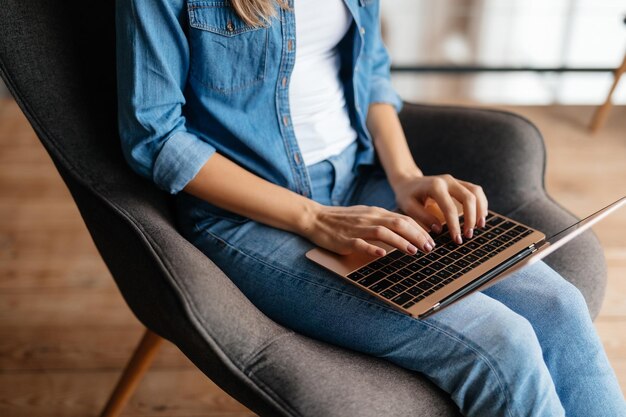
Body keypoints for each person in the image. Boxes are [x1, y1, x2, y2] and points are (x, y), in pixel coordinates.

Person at [115, 0, 626, 415]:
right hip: (249, 217)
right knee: (502, 343)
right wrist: (315, 218)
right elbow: (156, 138)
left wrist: (405, 178)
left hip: (361, 178)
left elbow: (371, 69)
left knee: (558, 306)